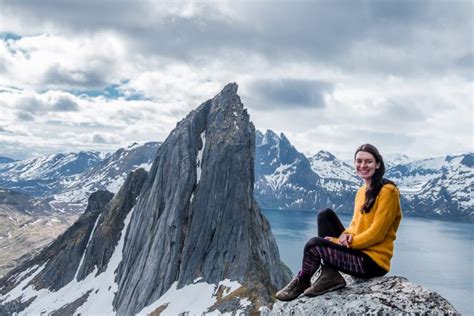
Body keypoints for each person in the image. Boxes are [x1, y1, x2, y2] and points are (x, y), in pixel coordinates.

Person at [276, 144, 402, 301]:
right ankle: (330, 274)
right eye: (359, 161)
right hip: (360, 251)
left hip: (373, 262)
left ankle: (303, 280)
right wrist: (348, 235)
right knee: (325, 215)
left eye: (368, 161)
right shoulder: (362, 191)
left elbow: (377, 234)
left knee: (314, 245)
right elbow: (356, 224)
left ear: (377, 164)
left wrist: (340, 241)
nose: (363, 165)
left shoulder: (388, 192)